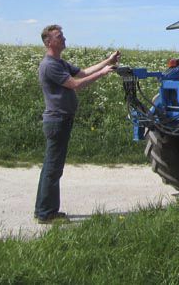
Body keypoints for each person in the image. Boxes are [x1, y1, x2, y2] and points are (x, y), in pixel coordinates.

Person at [34, 24, 119, 224]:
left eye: (62, 35)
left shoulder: (60, 62)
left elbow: (83, 72)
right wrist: (104, 73)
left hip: (61, 120)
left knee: (52, 167)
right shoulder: (50, 65)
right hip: (57, 121)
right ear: (49, 42)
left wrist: (108, 61)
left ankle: (44, 210)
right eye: (58, 36)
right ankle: (47, 213)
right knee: (53, 168)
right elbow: (76, 84)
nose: (63, 38)